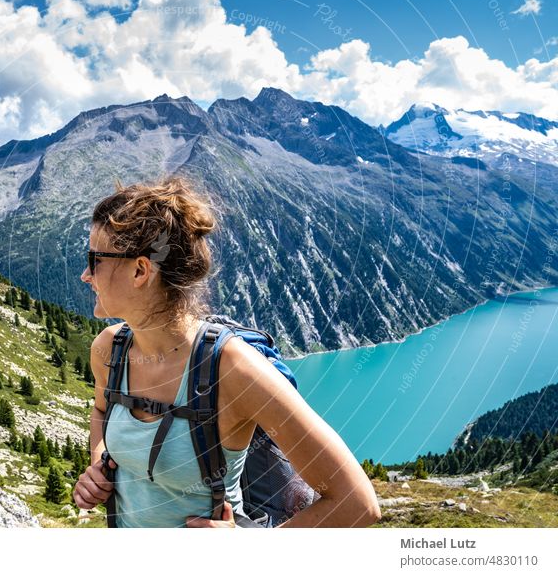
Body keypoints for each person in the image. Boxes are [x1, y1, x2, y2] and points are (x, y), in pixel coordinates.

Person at [73, 177, 381, 528]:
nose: (85, 275)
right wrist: (99, 464)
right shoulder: (108, 351)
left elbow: (357, 502)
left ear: (140, 270)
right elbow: (101, 411)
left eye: (94, 259)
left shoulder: (233, 369)